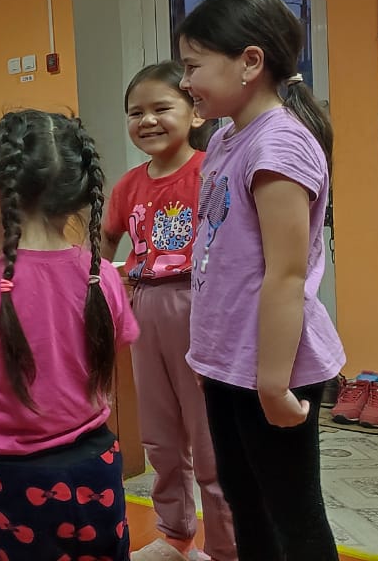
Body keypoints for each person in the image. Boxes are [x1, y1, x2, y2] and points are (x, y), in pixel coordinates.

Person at [178, 0, 345, 559]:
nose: (186, 82)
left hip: (272, 365)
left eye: (193, 66)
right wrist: (208, 356)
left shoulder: (279, 145)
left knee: (292, 517)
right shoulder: (226, 138)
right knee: (245, 503)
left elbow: (286, 276)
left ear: (250, 62)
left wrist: (273, 384)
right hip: (231, 362)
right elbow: (221, 257)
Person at [0, 109, 139, 561]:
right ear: (79, 193)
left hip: (15, 475)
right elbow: (109, 368)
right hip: (99, 464)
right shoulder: (102, 275)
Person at [102, 61, 234, 561]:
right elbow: (106, 241)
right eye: (136, 112)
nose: (148, 120)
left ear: (195, 112)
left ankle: (225, 546)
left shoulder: (210, 171)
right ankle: (175, 534)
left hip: (200, 305)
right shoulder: (127, 185)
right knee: (159, 434)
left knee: (209, 436)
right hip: (144, 305)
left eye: (161, 108)